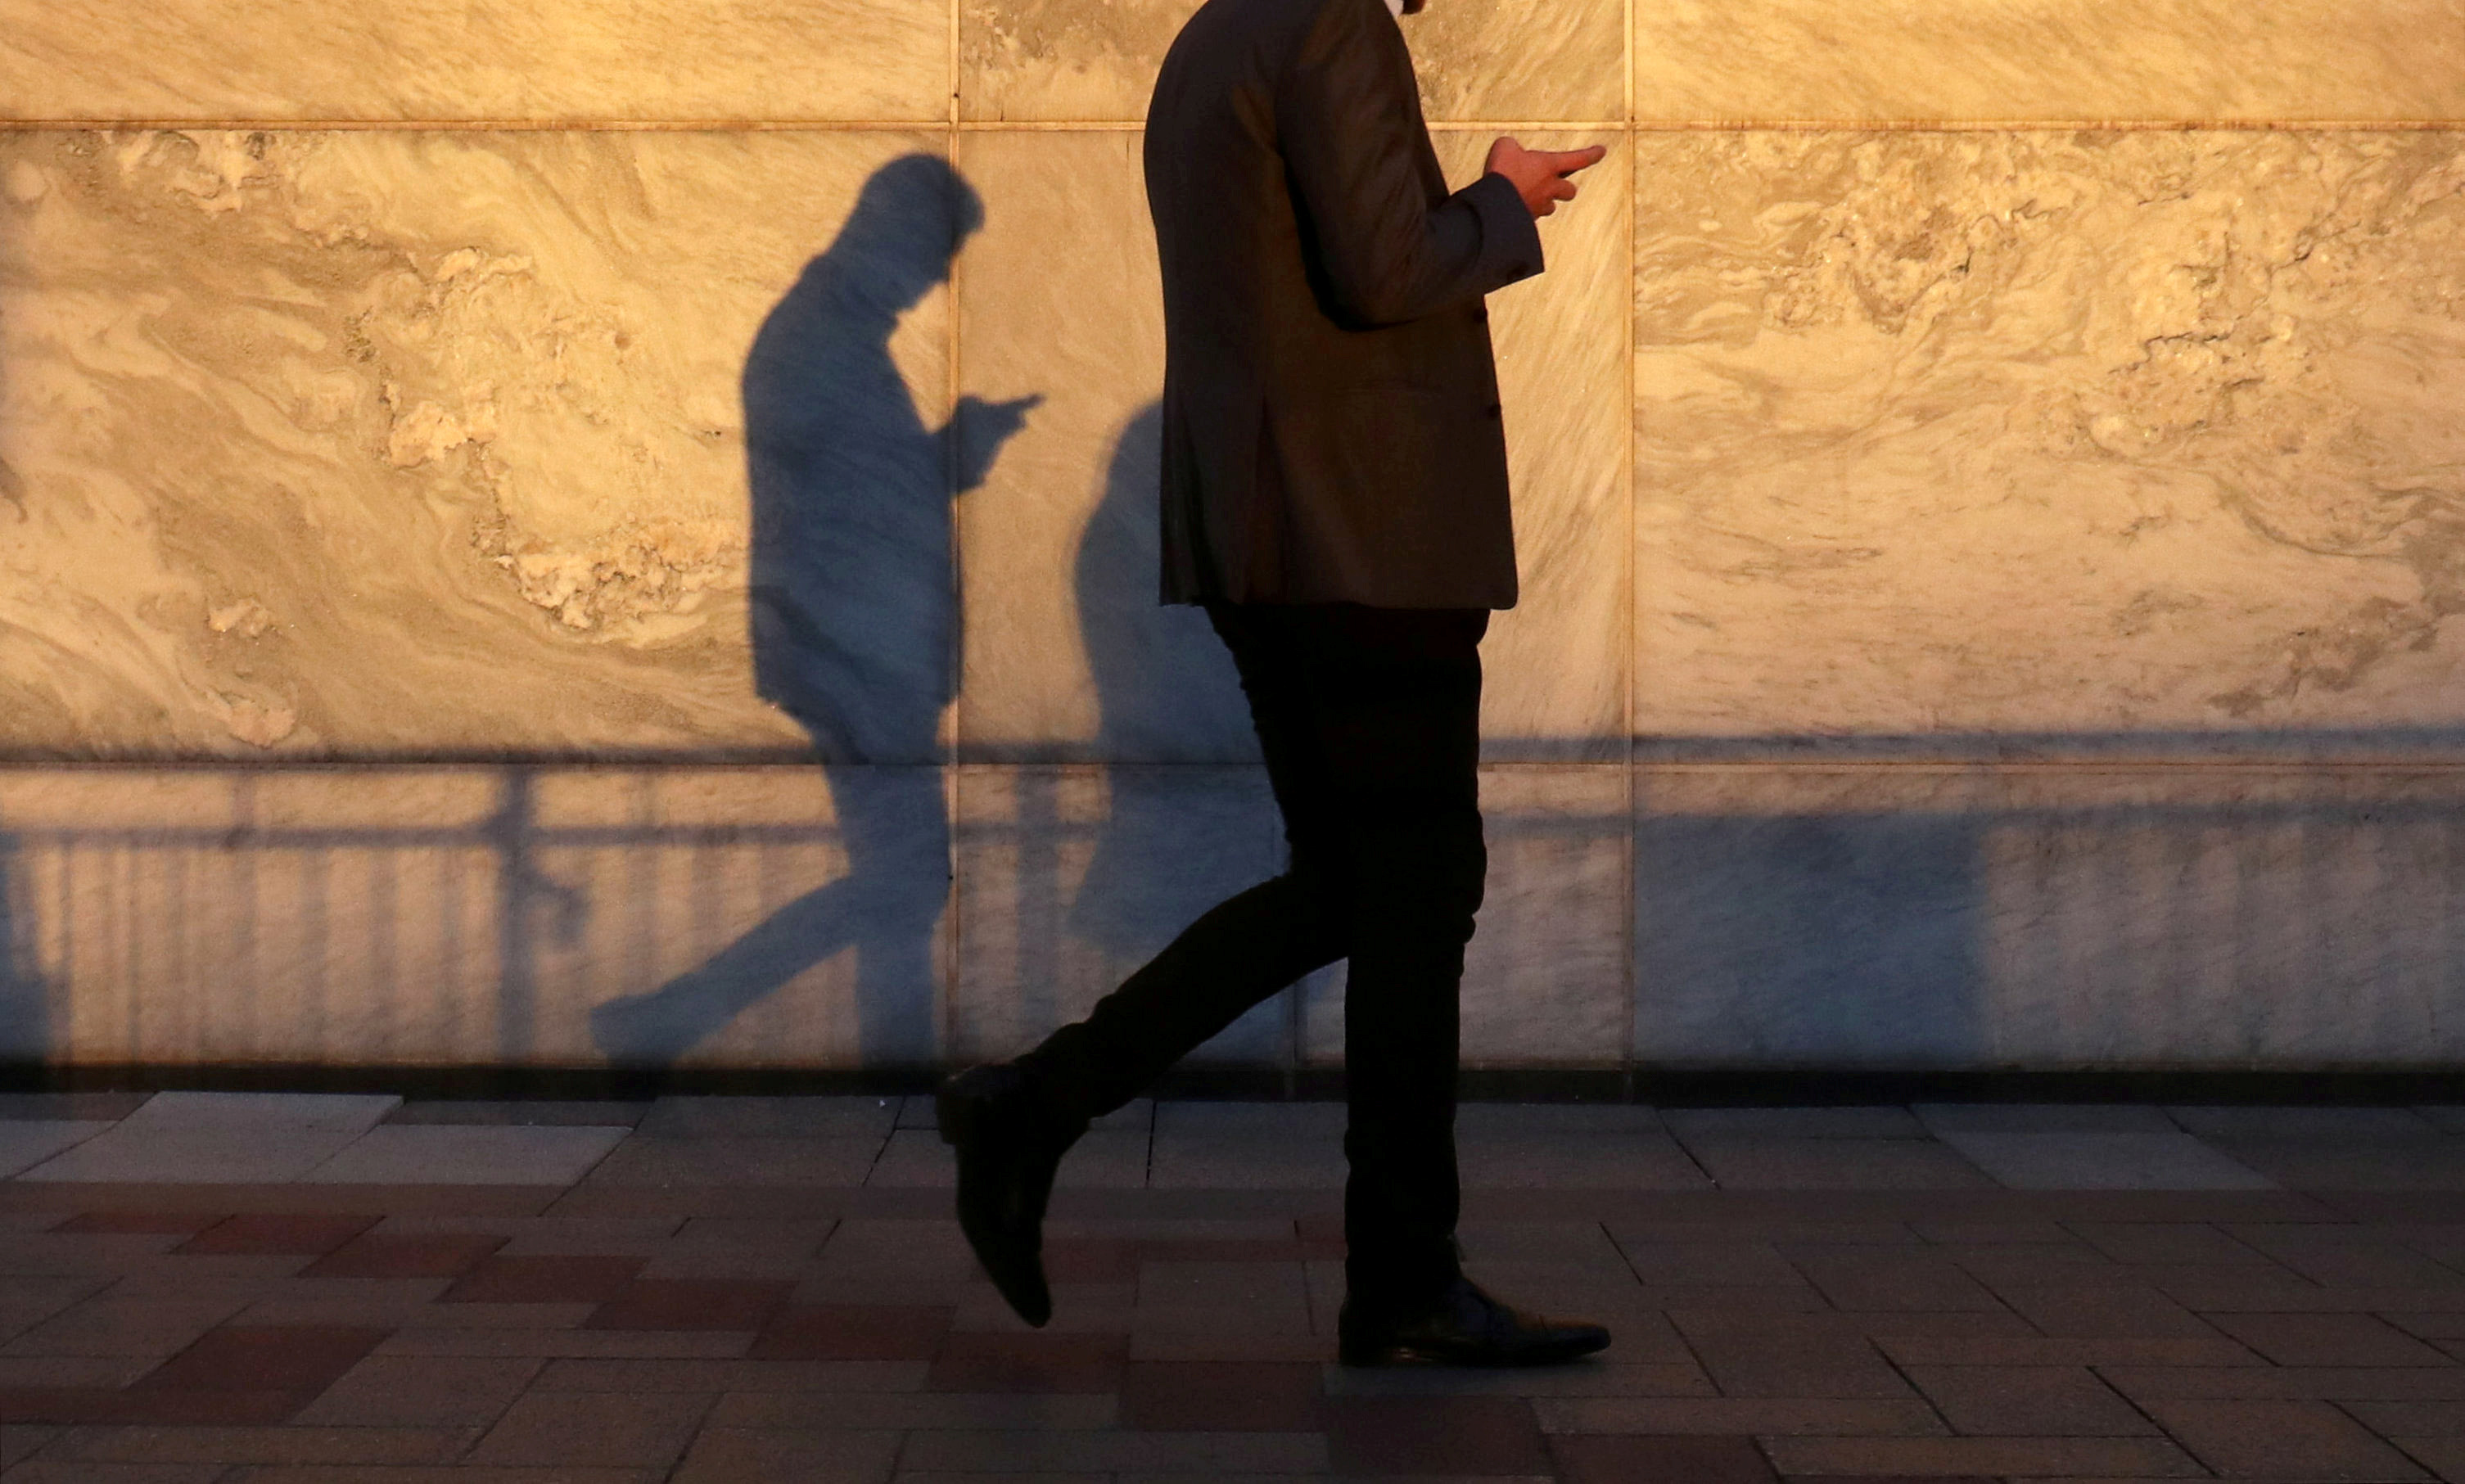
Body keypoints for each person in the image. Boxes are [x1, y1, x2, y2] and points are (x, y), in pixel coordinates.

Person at [938, 0, 1610, 1367]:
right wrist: (1503, 199)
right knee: (1417, 892)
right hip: (1364, 547)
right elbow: (1382, 269)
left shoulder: (1215, 37)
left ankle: (1039, 1103)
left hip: (1277, 541)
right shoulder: (1331, 24)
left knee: (1354, 888)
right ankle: (1403, 1279)